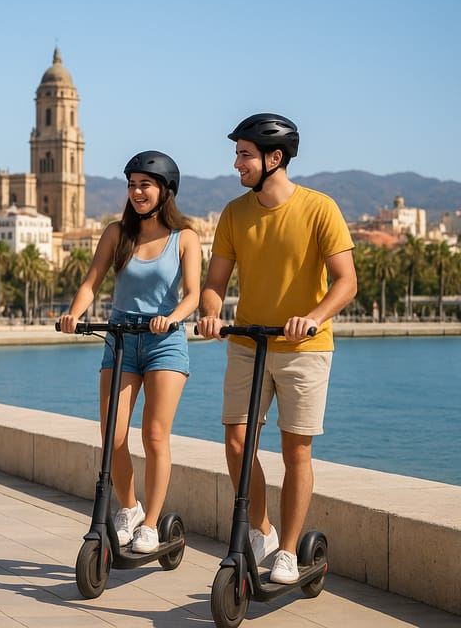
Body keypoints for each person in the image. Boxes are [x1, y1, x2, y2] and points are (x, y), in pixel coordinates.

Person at [197, 113, 357, 583]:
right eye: (238, 154)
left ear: (275, 158)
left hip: (304, 348)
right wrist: (210, 312)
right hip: (248, 342)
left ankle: (288, 550)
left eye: (244, 155)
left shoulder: (319, 208)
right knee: (235, 441)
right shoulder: (233, 213)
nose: (236, 164)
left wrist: (314, 317)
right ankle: (261, 529)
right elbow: (214, 282)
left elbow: (346, 282)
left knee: (296, 453)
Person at [59, 151, 200, 553]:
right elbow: (91, 282)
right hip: (120, 338)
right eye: (133, 185)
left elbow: (192, 296)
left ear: (165, 191)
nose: (137, 192)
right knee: (112, 435)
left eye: (146, 185)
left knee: (155, 435)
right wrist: (73, 313)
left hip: (164, 342)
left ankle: (151, 524)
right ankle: (130, 507)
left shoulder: (184, 238)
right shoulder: (115, 233)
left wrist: (171, 317)